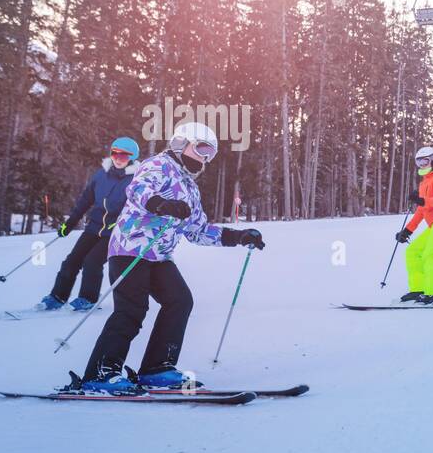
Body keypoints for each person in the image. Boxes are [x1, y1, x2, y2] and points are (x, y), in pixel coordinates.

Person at [75, 122, 265, 393]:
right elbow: (138, 191)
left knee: (180, 300)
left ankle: (157, 368)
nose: (205, 158)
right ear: (180, 143)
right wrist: (161, 205)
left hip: (160, 256)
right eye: (201, 148)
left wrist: (240, 236)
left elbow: (198, 231)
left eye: (210, 153)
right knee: (132, 310)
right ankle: (100, 374)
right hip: (132, 249)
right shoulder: (158, 166)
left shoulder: (190, 187)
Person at [39, 137, 141, 311]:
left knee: (92, 262)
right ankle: (57, 296)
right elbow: (86, 200)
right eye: (115, 153)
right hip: (94, 227)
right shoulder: (101, 174)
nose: (118, 158)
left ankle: (88, 299)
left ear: (132, 158)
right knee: (72, 261)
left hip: (114, 232)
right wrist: (70, 223)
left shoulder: (136, 180)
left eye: (124, 156)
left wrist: (120, 224)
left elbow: (137, 210)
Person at [395, 146, 433, 304]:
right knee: (412, 252)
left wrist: (423, 200)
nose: (422, 165)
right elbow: (422, 210)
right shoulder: (425, 182)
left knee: (430, 255)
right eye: (419, 162)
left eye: (425, 161)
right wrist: (407, 230)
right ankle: (418, 289)